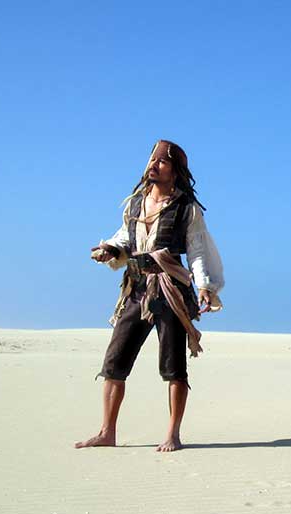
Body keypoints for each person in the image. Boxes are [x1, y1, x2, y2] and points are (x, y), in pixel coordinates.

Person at [76, 140, 224, 452]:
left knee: (173, 366)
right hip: (136, 288)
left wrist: (204, 286)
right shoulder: (134, 203)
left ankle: (172, 434)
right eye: (152, 160)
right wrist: (109, 250)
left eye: (161, 162)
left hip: (169, 290)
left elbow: (197, 250)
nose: (153, 166)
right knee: (114, 363)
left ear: (175, 171)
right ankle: (106, 432)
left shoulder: (187, 208)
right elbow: (124, 237)